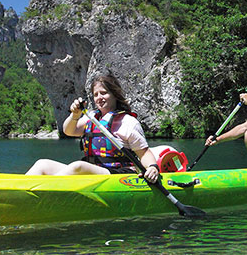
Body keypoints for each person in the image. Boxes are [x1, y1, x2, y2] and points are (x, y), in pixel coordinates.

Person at [26, 75, 159, 183]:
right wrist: (75, 115)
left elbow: (144, 152)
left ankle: (44, 191)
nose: (99, 98)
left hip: (119, 174)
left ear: (114, 95)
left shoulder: (128, 122)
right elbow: (68, 131)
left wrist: (152, 167)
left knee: (78, 166)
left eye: (104, 93)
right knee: (42, 164)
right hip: (93, 171)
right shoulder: (91, 118)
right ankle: (21, 190)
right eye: (96, 94)